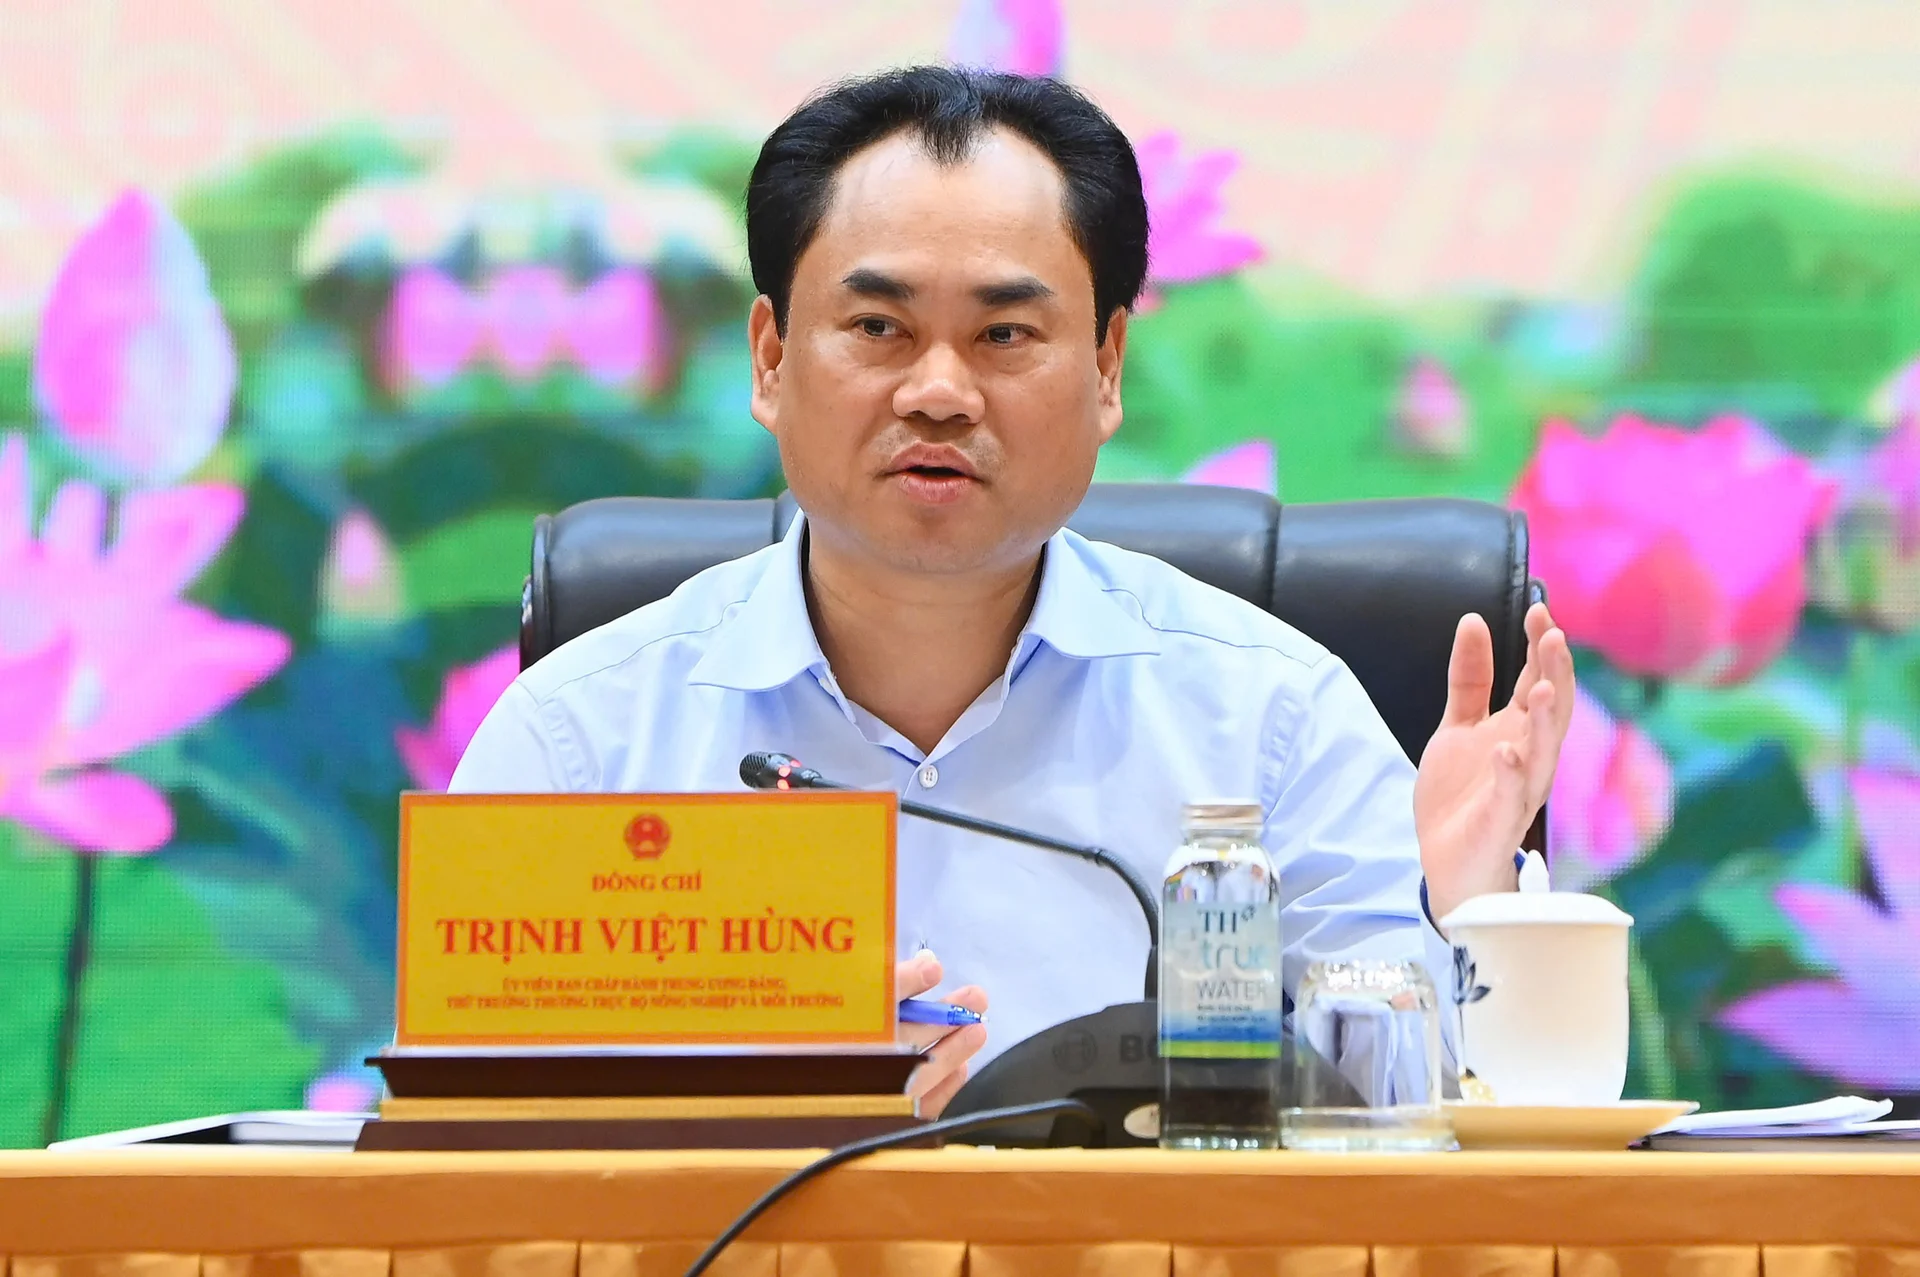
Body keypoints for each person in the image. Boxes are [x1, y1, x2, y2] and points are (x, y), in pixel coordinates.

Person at [450, 66, 1575, 1118]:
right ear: (770, 359)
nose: (939, 392)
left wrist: (1454, 914)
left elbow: (1413, 1139)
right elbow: (457, 1162)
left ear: (1106, 369)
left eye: (1004, 333)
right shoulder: (579, 740)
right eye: (878, 327)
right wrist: (743, 1106)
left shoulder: (1271, 721)